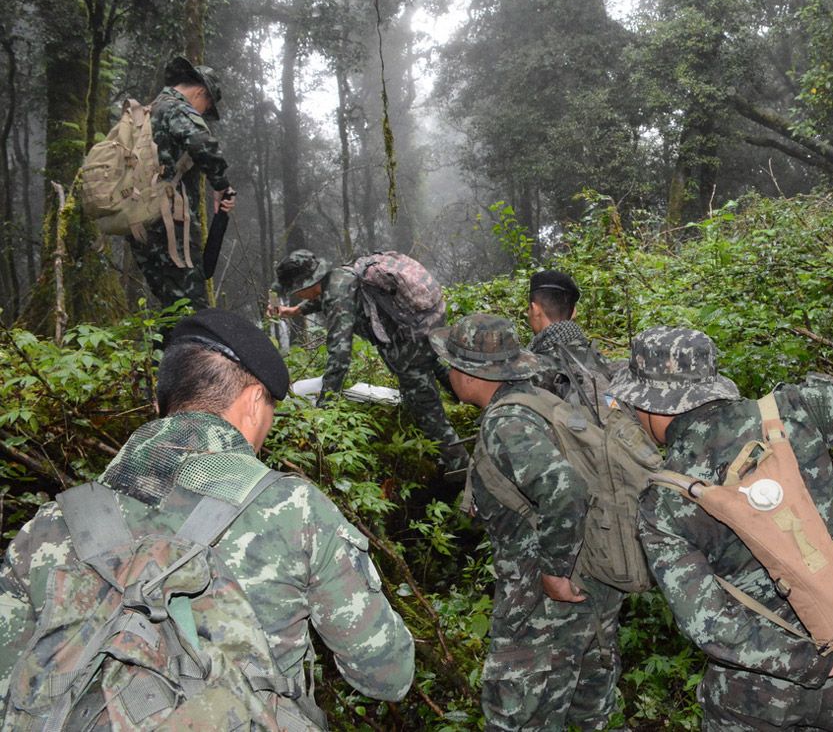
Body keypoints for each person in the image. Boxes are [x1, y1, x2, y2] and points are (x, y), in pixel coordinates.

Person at [0, 309, 414, 725]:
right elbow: (387, 675)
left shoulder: (48, 526)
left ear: (159, 404)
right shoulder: (295, 509)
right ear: (255, 401)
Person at [610, 327, 833, 732]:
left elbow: (707, 623)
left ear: (649, 403)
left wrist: (819, 664)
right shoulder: (791, 412)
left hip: (754, 695)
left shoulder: (663, 501)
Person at [430, 314, 623, 731]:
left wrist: (554, 572)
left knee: (517, 717)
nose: (448, 374)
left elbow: (565, 488)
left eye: (451, 365)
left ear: (470, 374)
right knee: (587, 711)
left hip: (543, 600)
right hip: (592, 584)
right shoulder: (541, 401)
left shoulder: (507, 423)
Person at [270, 249, 460, 453]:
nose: (295, 295)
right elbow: (324, 297)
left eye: (295, 291)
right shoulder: (339, 276)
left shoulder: (337, 298)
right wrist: (296, 310)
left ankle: (460, 464)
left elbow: (339, 358)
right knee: (430, 365)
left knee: (428, 415)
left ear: (305, 285)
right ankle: (466, 397)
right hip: (424, 329)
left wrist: (325, 407)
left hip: (410, 347)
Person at [132, 56, 236, 310]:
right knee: (191, 306)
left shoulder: (146, 112)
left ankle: (169, 338)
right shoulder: (177, 108)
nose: (203, 113)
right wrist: (221, 184)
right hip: (169, 223)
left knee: (172, 304)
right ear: (201, 92)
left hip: (138, 220)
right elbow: (202, 143)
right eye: (206, 107)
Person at [526, 269, 613, 401]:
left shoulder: (530, 371)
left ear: (535, 309)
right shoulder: (602, 361)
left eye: (528, 309)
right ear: (574, 313)